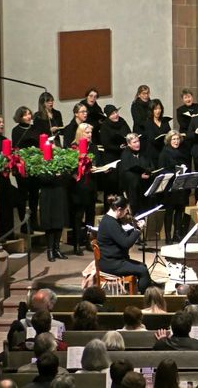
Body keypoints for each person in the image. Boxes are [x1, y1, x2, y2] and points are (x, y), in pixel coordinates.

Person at [96, 195, 152, 293]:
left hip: (114, 260)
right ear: (119, 209)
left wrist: (134, 229)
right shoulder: (110, 223)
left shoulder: (110, 219)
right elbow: (126, 243)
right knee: (142, 271)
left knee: (143, 266)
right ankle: (145, 299)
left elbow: (120, 237)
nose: (127, 213)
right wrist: (138, 230)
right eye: (126, 210)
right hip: (112, 263)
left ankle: (143, 292)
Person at [69, 122, 101, 255]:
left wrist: (97, 167)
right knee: (77, 216)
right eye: (87, 133)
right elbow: (71, 167)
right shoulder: (73, 147)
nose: (89, 135)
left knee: (90, 214)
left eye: (90, 133)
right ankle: (76, 244)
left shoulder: (93, 147)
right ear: (80, 133)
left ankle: (88, 241)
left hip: (91, 185)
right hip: (78, 186)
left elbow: (97, 161)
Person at [157, 130, 190, 242]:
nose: (176, 141)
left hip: (181, 184)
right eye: (173, 139)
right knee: (170, 211)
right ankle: (168, 236)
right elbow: (161, 170)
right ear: (169, 140)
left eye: (177, 139)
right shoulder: (164, 153)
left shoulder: (183, 152)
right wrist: (174, 172)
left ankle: (177, 234)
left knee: (180, 210)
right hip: (170, 186)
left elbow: (187, 166)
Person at [118, 133, 153, 212]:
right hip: (132, 189)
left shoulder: (143, 153)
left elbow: (151, 165)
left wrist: (148, 171)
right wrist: (139, 176)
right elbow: (125, 174)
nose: (137, 144)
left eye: (138, 141)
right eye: (134, 142)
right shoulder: (125, 155)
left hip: (145, 186)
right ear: (129, 144)